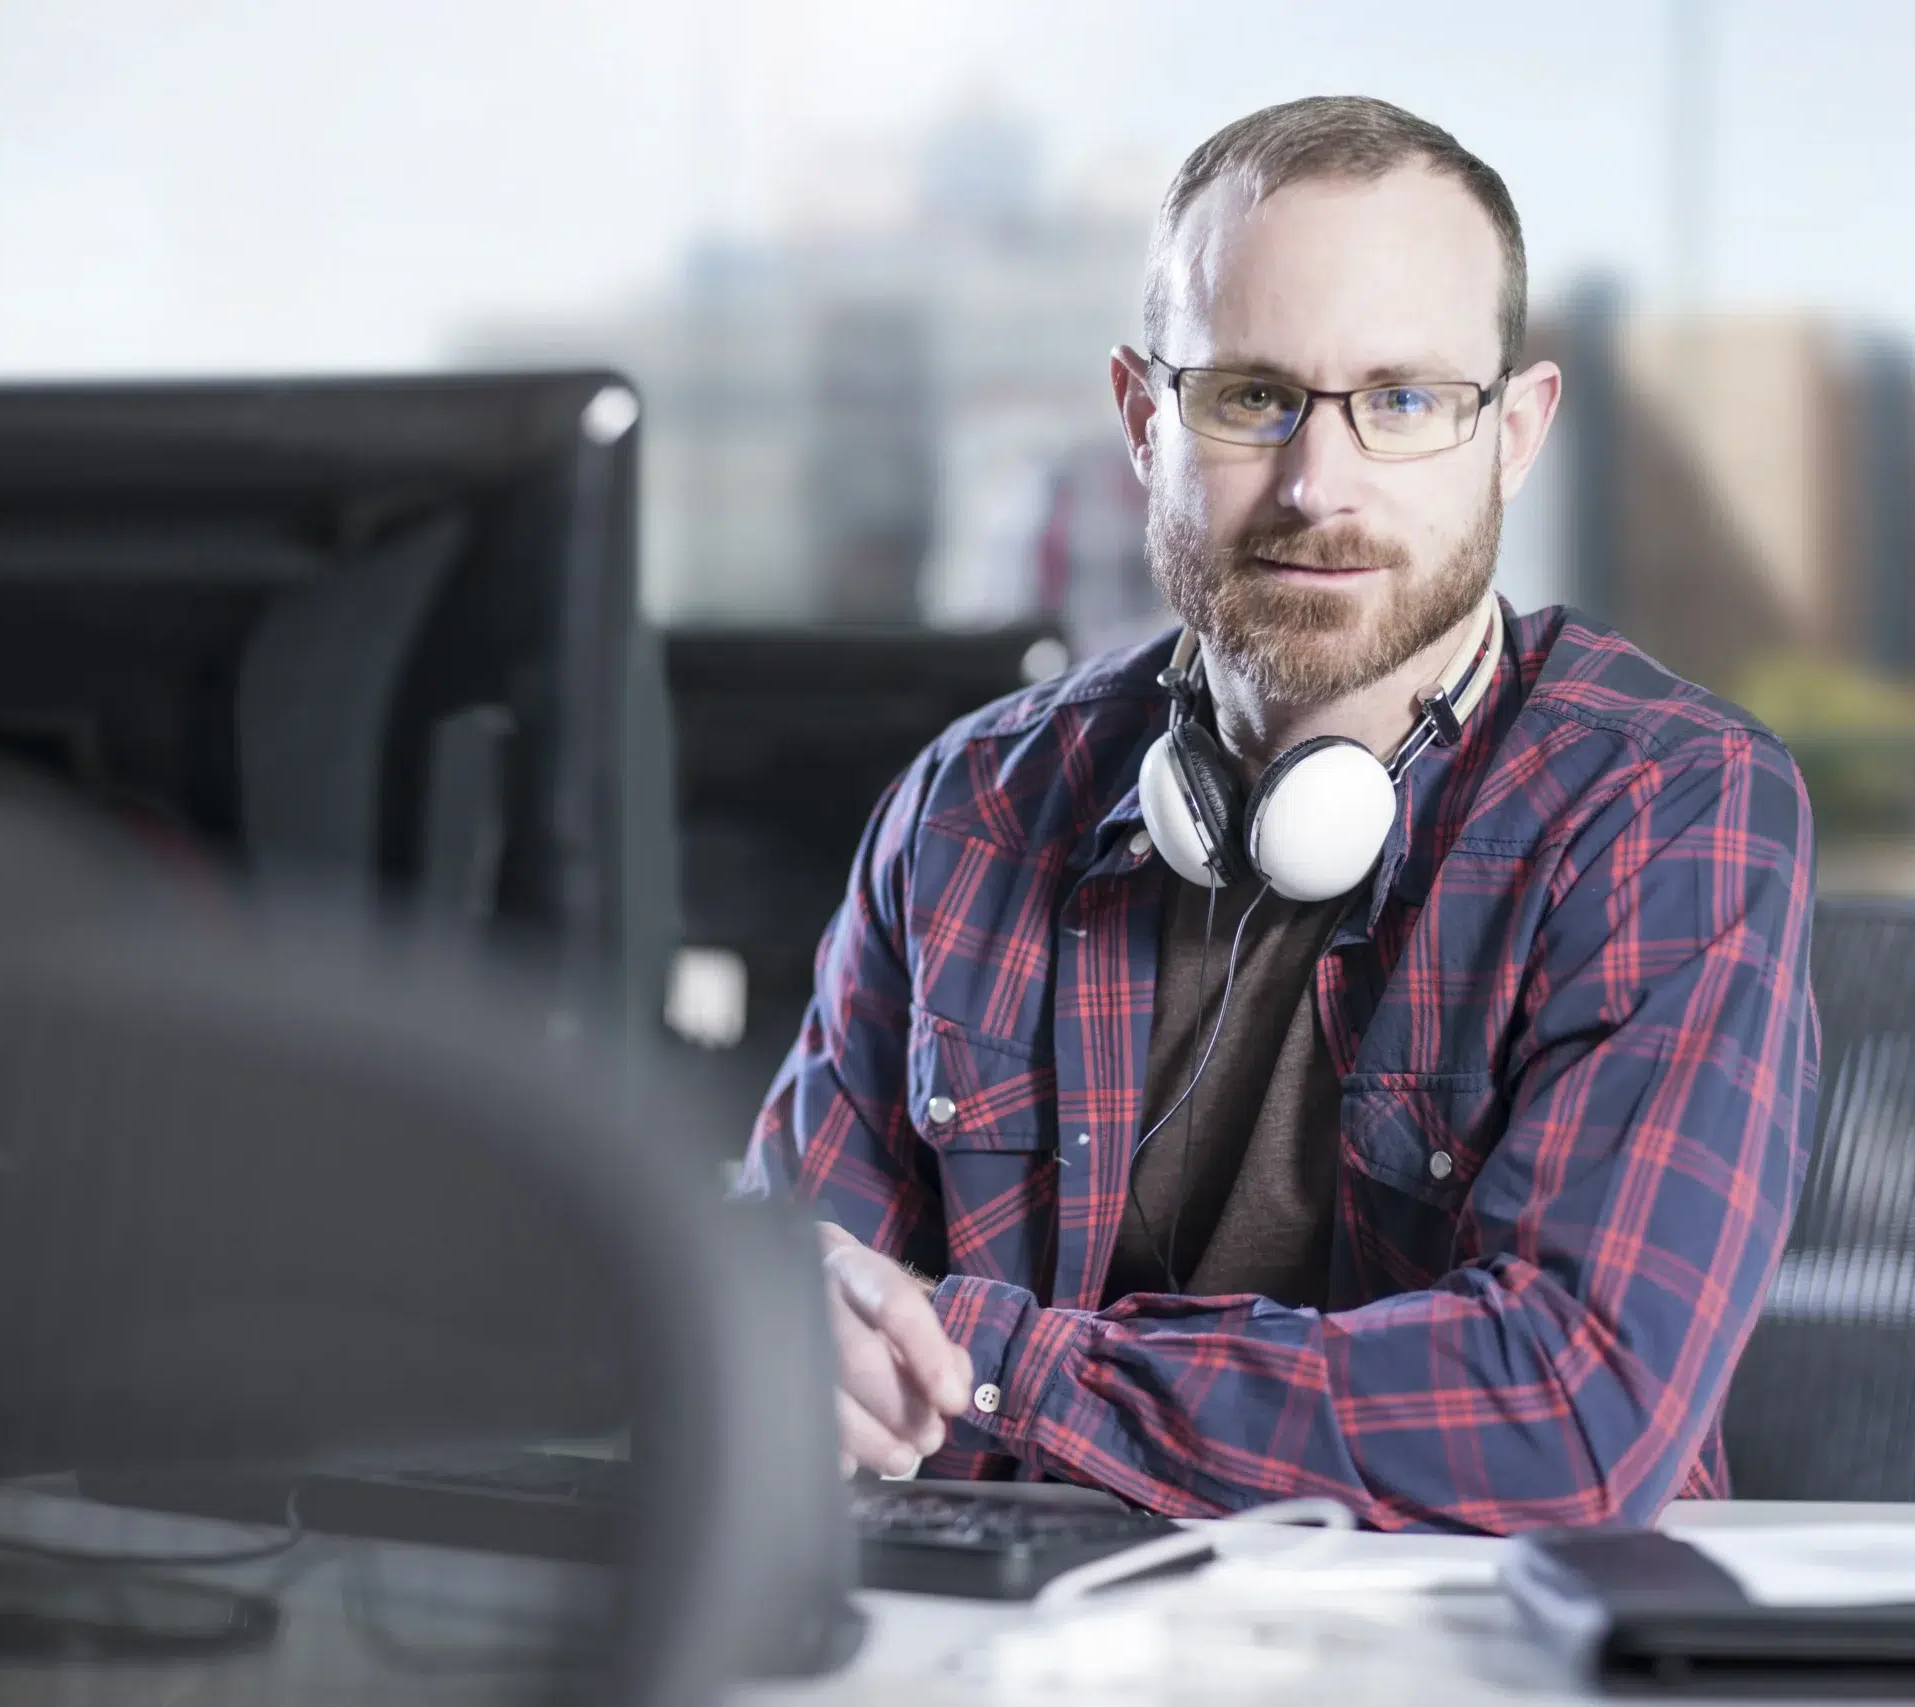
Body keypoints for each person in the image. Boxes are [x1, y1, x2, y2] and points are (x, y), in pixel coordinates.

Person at [741, 96, 1820, 1533]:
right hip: (1018, 1648)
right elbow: (779, 1305)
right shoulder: (967, 810)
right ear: (1142, 415)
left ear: (1515, 432)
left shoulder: (1662, 810)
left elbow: (1569, 1415)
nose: (1321, 485)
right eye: (1252, 395)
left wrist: (992, 1362)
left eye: (1407, 400)